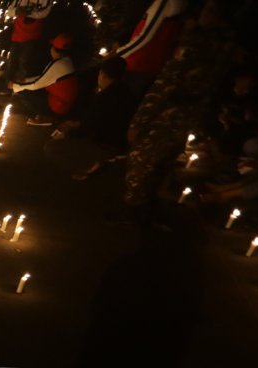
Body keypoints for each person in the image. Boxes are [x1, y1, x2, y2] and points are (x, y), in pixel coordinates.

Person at [120, 0, 240, 222]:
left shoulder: (194, 44)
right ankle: (150, 206)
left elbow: (166, 83)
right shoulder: (228, 44)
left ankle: (133, 209)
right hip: (193, 112)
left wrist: (138, 121)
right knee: (165, 158)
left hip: (171, 111)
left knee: (142, 159)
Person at [46, 56, 139, 177]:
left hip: (106, 144)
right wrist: (76, 123)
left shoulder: (105, 97)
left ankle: (88, 166)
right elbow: (97, 119)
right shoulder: (126, 91)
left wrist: (66, 134)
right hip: (121, 142)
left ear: (102, 74)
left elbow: (89, 127)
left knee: (51, 147)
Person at [116, 0, 190, 96]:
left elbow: (146, 36)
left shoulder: (164, 3)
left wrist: (119, 54)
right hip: (145, 64)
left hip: (139, 63)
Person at [10, 33, 80, 125]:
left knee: (24, 92)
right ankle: (48, 115)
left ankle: (47, 117)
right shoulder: (66, 61)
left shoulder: (58, 65)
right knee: (26, 88)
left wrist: (16, 86)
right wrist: (25, 81)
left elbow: (36, 84)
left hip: (58, 106)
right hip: (63, 103)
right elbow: (44, 78)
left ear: (53, 49)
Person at [6, 0, 55, 82]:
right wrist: (17, 11)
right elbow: (9, 11)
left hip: (32, 36)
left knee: (24, 61)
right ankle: (9, 84)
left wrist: (27, 13)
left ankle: (22, 86)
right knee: (12, 61)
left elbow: (44, 13)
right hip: (17, 34)